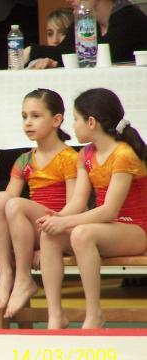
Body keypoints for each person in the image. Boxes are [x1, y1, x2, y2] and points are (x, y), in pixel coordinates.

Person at [37, 88, 147, 329]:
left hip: (134, 230)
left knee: (81, 233)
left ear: (91, 122)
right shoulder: (85, 154)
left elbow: (109, 211)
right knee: (49, 233)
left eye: (76, 119)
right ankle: (55, 315)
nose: (73, 125)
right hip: (107, 228)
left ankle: (94, 313)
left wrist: (67, 223)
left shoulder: (123, 154)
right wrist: (57, 218)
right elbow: (78, 201)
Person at [0, 89, 77, 318]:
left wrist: (48, 239)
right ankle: (6, 273)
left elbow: (74, 206)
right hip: (36, 230)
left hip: (63, 228)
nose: (28, 123)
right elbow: (4, 205)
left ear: (56, 120)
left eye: (36, 116)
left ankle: (23, 277)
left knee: (15, 205)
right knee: (0, 199)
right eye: (24, 116)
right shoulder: (25, 160)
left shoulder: (69, 158)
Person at [24, 0, 147, 68]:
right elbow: (65, 51)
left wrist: (34, 51)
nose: (68, 0)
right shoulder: (85, 19)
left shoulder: (130, 19)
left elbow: (92, 54)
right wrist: (47, 60)